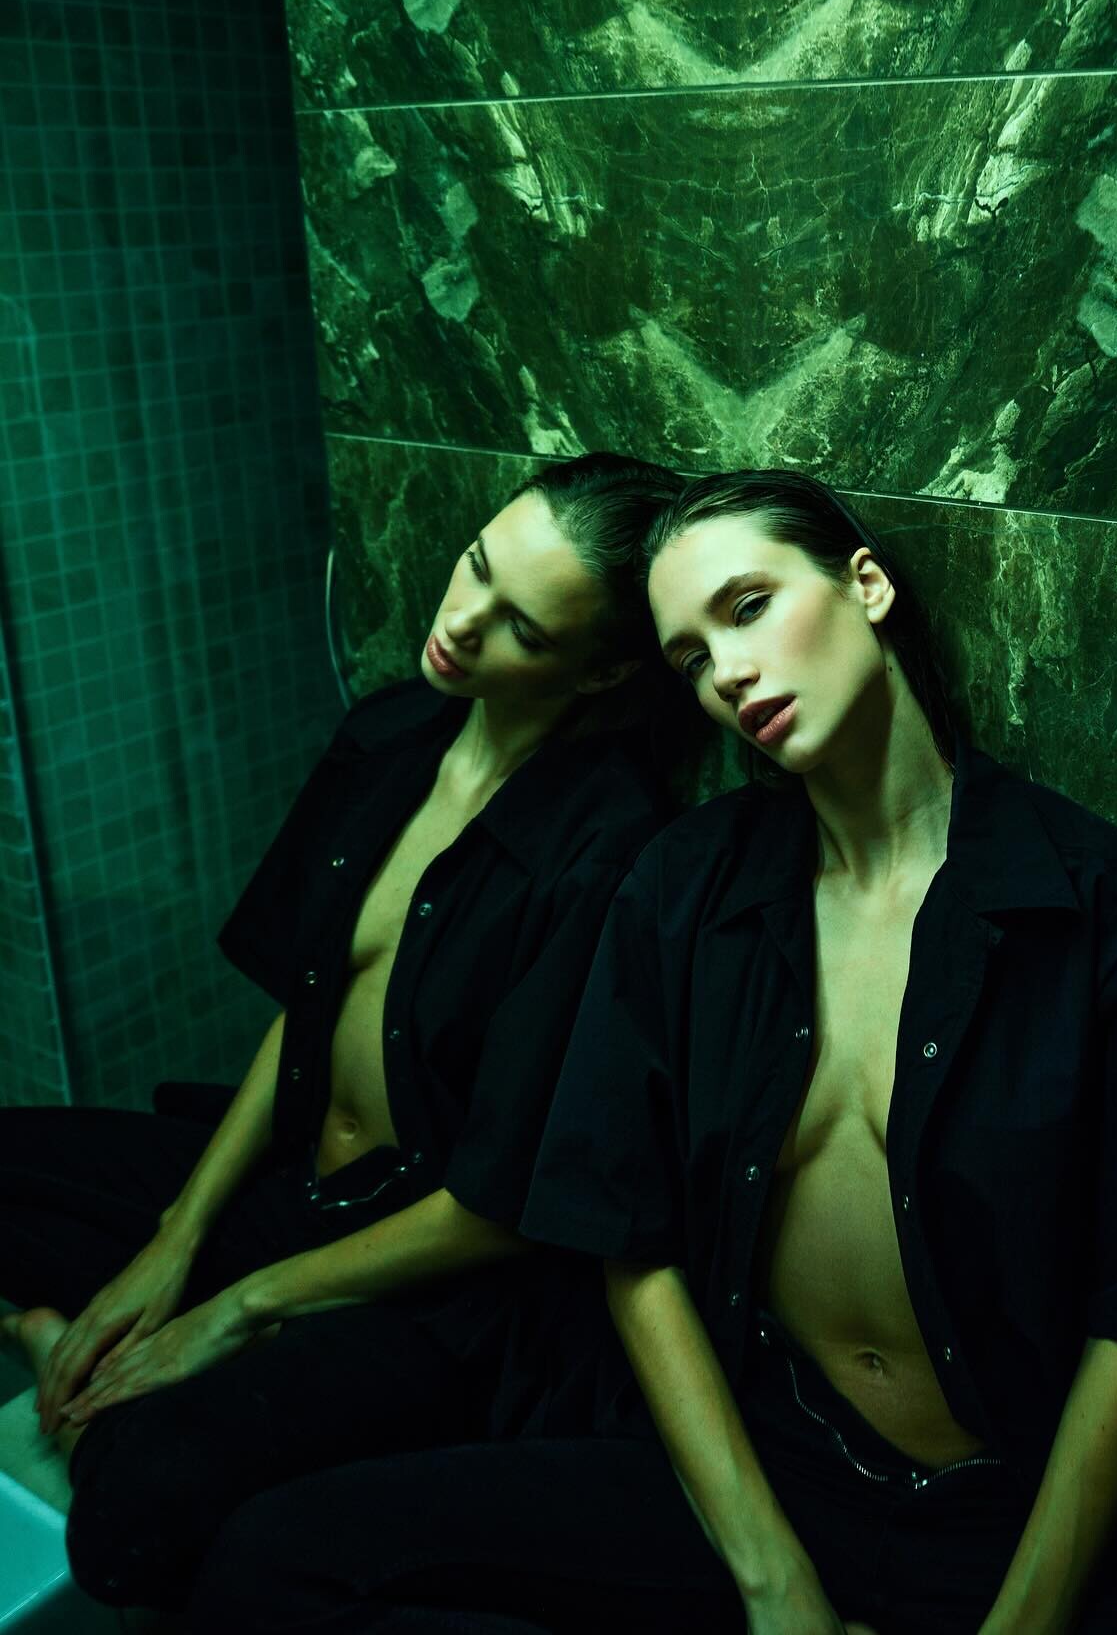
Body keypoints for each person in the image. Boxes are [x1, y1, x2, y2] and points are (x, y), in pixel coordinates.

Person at [186, 469, 1117, 1633]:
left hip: (1014, 1511)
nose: (727, 674)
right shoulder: (684, 890)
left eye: (747, 608)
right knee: (276, 1563)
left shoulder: (1108, 917)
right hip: (758, 1472)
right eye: (690, 658)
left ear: (866, 586)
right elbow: (630, 1249)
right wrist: (772, 1581)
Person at [0, 451, 684, 1611]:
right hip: (295, 1182)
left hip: (435, 1282)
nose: (460, 621)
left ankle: (109, 1361)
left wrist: (236, 1310)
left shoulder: (608, 851)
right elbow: (309, 1009)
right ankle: (83, 1331)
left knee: (135, 1515)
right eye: (476, 566)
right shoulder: (391, 733)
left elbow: (501, 1206)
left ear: (604, 668)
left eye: (521, 627)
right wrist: (176, 1235)